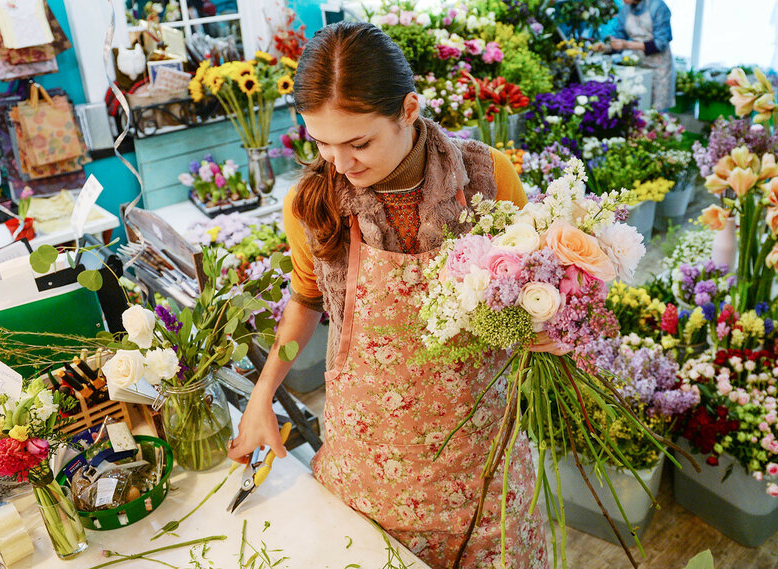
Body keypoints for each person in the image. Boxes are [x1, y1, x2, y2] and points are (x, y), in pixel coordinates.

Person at [227, 21, 549, 569]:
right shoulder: (312, 202)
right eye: (321, 143)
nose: (341, 164)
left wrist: (546, 327)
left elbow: (534, 283)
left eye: (358, 142)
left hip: (483, 460)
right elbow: (304, 303)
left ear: (408, 109)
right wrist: (263, 394)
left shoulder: (486, 177)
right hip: (371, 466)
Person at [603, 0, 675, 111]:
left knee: (657, 111)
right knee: (639, 106)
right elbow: (620, 35)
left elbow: (660, 44)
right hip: (638, 66)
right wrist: (607, 46)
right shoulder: (625, 9)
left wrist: (627, 44)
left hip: (659, 67)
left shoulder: (657, 6)